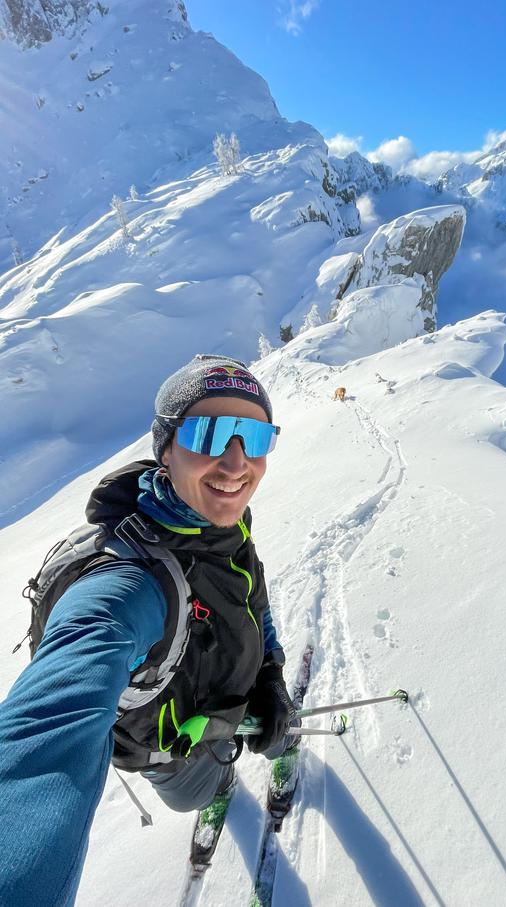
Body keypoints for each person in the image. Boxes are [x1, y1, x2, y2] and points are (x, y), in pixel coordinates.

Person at [0, 354, 296, 907]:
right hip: (173, 750)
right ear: (165, 448)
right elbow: (46, 733)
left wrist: (270, 671)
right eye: (209, 433)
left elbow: (251, 594)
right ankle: (218, 789)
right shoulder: (127, 581)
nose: (236, 463)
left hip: (230, 703)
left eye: (254, 437)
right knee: (191, 796)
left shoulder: (223, 523)